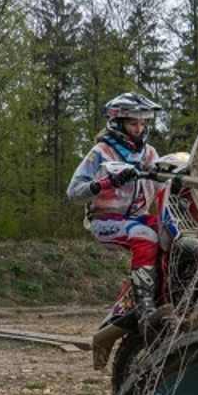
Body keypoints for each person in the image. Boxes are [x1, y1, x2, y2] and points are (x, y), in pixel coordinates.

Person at [67, 92, 162, 332]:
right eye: (133, 123)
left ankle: (154, 294)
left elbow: (163, 187)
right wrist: (106, 183)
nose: (139, 128)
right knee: (145, 236)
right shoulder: (101, 152)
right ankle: (144, 306)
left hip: (138, 216)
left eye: (143, 123)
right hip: (105, 220)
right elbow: (73, 192)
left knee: (172, 234)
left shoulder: (150, 153)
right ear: (118, 123)